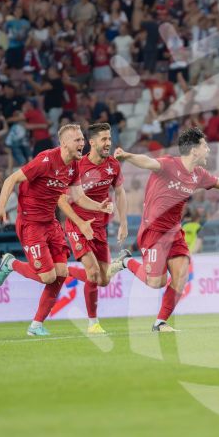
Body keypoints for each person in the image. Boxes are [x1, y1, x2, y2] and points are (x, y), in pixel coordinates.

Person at [106, 128, 219, 333]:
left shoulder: (199, 174)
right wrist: (128, 156)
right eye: (205, 146)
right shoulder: (168, 164)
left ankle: (160, 323)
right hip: (154, 231)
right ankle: (125, 261)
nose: (209, 150)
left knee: (181, 276)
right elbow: (148, 161)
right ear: (194, 150)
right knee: (156, 282)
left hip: (174, 232)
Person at [0, 124, 114, 337]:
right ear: (64, 143)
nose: (82, 144)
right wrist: (1, 206)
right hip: (31, 223)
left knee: (61, 273)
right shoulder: (45, 160)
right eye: (77, 140)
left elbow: (77, 197)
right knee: (48, 277)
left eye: (82, 140)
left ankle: (36, 325)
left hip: (50, 223)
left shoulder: (73, 166)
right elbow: (11, 179)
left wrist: (99, 206)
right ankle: (11, 263)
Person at [62, 123, 127, 335]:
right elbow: (65, 198)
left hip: (100, 227)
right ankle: (93, 323)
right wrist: (81, 221)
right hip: (77, 224)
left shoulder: (113, 166)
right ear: (92, 142)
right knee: (92, 274)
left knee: (104, 280)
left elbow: (120, 192)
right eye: (104, 139)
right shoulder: (76, 166)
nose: (108, 143)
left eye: (110, 139)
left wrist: (123, 222)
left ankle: (64, 270)